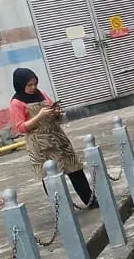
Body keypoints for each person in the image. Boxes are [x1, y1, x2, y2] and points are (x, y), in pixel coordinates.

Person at [9, 69, 97, 210]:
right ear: (20, 85)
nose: (33, 88)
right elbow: (20, 127)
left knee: (75, 169)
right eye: (29, 85)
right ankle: (61, 209)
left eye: (35, 84)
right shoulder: (16, 103)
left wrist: (56, 112)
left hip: (57, 137)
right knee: (51, 176)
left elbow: (52, 109)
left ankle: (90, 200)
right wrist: (39, 116)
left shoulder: (41, 94)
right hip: (40, 144)